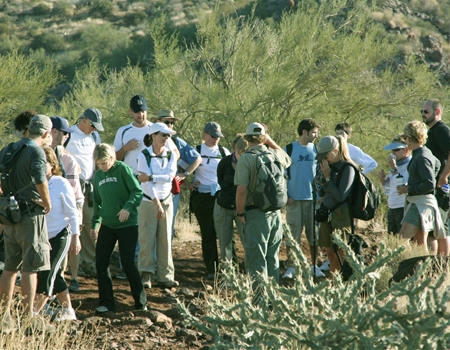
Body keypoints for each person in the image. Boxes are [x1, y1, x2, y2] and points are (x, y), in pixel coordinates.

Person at [0, 115, 52, 324]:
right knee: (31, 267)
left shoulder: (9, 148)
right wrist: (47, 203)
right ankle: (28, 315)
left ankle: (5, 316)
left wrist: (5, 198)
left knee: (10, 267)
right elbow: (40, 179)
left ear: (29, 129)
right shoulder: (36, 151)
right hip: (30, 216)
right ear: (47, 134)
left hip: (10, 216)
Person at [90, 144, 147, 313]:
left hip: (127, 225)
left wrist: (128, 207)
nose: (102, 166)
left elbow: (137, 191)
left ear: (112, 158)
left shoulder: (122, 169)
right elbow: (98, 203)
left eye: (104, 163)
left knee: (128, 263)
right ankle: (106, 303)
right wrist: (95, 224)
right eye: (98, 163)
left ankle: (141, 303)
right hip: (107, 224)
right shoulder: (98, 176)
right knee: (101, 262)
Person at [234, 122, 291, 291]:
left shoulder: (246, 159)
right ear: (263, 138)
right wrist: (269, 140)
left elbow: (241, 191)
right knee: (272, 257)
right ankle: (273, 301)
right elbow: (288, 159)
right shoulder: (276, 155)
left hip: (256, 214)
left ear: (247, 138)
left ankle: (260, 303)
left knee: (256, 259)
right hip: (275, 214)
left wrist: (240, 213)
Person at [34, 147, 81, 322]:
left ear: (52, 165)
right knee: (52, 274)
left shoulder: (60, 183)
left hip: (60, 234)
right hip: (41, 236)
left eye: (43, 163)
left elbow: (72, 211)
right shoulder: (34, 183)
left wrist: (76, 236)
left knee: (49, 274)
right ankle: (68, 310)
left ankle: (32, 313)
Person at [186, 122, 231, 280]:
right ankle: (212, 269)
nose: (216, 139)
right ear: (204, 134)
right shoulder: (195, 151)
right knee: (208, 233)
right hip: (202, 198)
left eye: (218, 136)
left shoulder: (224, 152)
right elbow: (179, 171)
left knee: (225, 233)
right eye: (213, 136)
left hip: (220, 197)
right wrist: (187, 185)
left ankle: (229, 269)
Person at [137, 122, 179, 289]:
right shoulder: (143, 155)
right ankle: (146, 274)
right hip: (148, 201)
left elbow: (169, 177)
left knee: (165, 238)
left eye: (168, 135)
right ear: (153, 135)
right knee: (147, 238)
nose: (166, 138)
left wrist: (151, 177)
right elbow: (145, 184)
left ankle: (165, 276)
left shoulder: (171, 155)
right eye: (163, 135)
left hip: (167, 200)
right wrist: (157, 204)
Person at [283, 119, 325, 279]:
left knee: (314, 235)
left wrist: (322, 194)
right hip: (294, 201)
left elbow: (322, 173)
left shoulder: (316, 149)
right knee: (293, 235)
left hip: (312, 200)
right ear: (304, 132)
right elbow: (281, 175)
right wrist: (286, 197)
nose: (316, 135)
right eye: (314, 132)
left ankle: (314, 266)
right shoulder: (289, 149)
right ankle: (292, 267)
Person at [150, 110, 202, 238]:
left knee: (167, 225)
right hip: (150, 188)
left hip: (170, 190)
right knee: (149, 225)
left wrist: (185, 175)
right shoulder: (148, 139)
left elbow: (197, 158)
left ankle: (165, 256)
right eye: (167, 122)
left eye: (172, 123)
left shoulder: (176, 141)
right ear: (158, 122)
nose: (170, 125)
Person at [65, 108, 103, 278]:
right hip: (71, 186)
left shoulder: (94, 137)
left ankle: (89, 262)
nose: (94, 129)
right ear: (85, 120)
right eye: (93, 125)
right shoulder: (70, 135)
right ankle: (72, 264)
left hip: (89, 186)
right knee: (72, 225)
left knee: (88, 224)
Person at [398, 121, 446, 254]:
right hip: (421, 203)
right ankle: (423, 272)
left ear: (409, 137)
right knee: (420, 242)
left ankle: (408, 266)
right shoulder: (423, 153)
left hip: (421, 203)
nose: (405, 141)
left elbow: (429, 184)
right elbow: (436, 167)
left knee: (401, 239)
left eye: (405, 137)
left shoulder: (422, 156)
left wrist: (409, 189)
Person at [50, 116, 85, 292]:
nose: (66, 137)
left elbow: (72, 190)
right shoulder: (45, 155)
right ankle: (59, 279)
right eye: (64, 133)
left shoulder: (68, 159)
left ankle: (75, 277)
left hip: (73, 202)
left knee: (73, 240)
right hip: (55, 204)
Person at [314, 135, 356, 273]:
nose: (324, 159)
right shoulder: (327, 166)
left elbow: (340, 196)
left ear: (335, 151)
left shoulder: (347, 168)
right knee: (331, 254)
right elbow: (321, 193)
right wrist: (321, 179)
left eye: (326, 156)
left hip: (342, 216)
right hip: (327, 214)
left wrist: (328, 176)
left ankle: (347, 286)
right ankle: (334, 285)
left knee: (343, 255)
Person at [214, 134, 248, 266]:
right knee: (225, 244)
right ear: (235, 149)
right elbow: (221, 181)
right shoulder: (224, 163)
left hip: (244, 207)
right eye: (241, 154)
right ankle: (228, 276)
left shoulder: (250, 163)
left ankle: (251, 274)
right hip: (224, 206)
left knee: (248, 242)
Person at [422, 99, 450, 255]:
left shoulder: (441, 130)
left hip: (441, 186)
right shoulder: (432, 131)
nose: (423, 115)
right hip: (435, 185)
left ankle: (441, 267)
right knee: (437, 227)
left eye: (426, 112)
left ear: (437, 112)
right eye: (422, 112)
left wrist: (443, 177)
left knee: (439, 228)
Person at [377, 135, 411, 235]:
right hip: (392, 207)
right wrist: (383, 180)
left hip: (402, 207)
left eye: (396, 150)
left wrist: (394, 169)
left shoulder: (410, 165)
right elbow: (389, 190)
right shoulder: (395, 166)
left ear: (406, 149)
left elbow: (403, 186)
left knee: (403, 239)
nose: (393, 153)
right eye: (392, 150)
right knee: (392, 239)